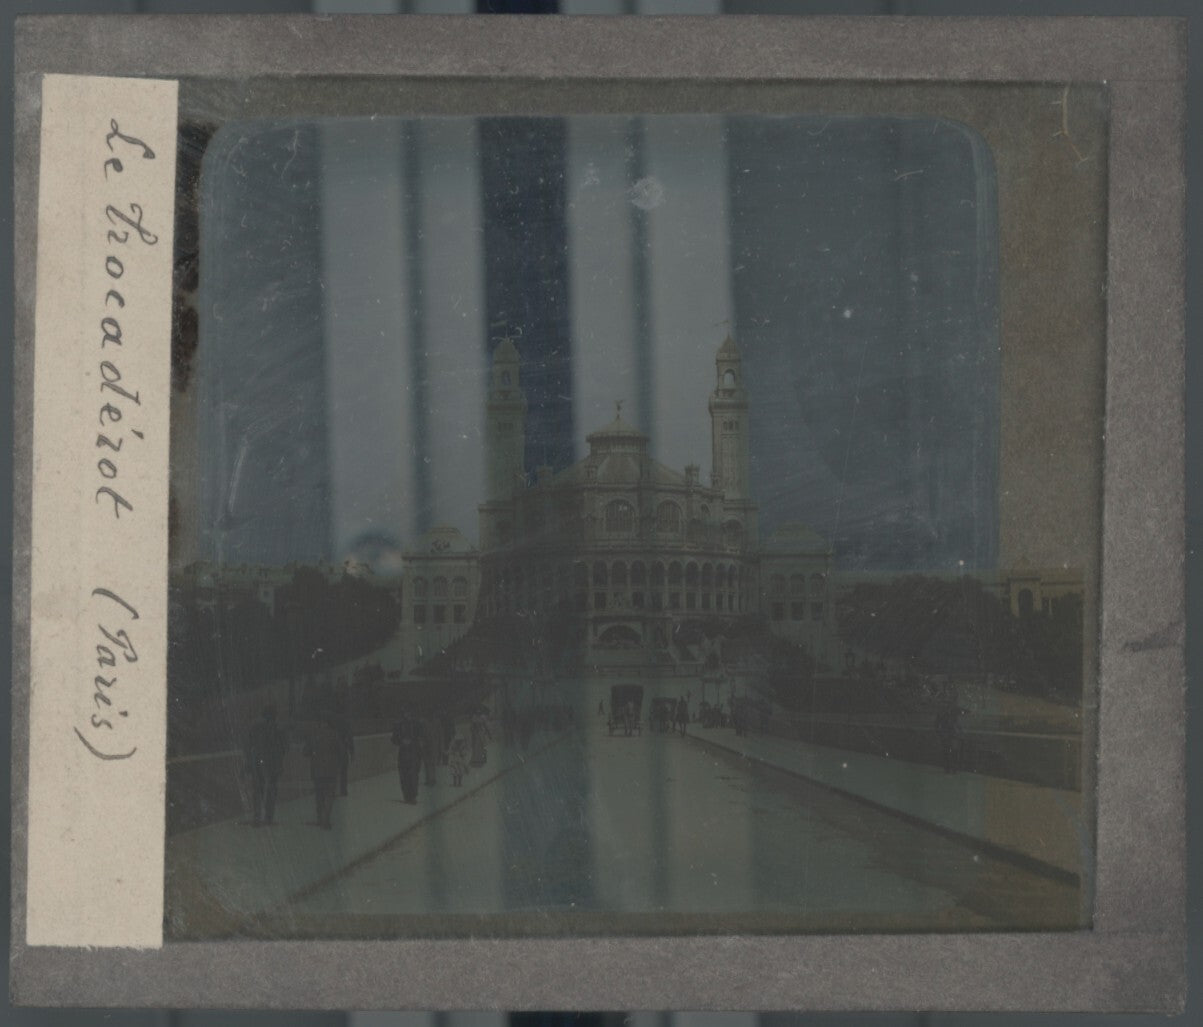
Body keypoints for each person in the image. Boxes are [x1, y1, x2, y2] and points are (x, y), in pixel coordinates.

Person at [243, 704, 287, 826]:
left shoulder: (255, 727)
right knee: (272, 789)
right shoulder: (279, 728)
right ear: (275, 715)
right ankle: (269, 818)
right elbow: (285, 746)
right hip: (273, 762)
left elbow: (248, 744)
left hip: (258, 761)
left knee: (258, 789)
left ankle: (257, 817)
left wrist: (248, 760)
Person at [304, 715, 345, 830]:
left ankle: (319, 818)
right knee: (329, 796)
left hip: (317, 771)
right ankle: (326, 818)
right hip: (331, 770)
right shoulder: (335, 734)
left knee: (319, 796)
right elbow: (342, 752)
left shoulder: (313, 735)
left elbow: (305, 751)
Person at [391, 710, 422, 804]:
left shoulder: (417, 724)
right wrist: (401, 741)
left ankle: (412, 796)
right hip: (403, 753)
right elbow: (393, 739)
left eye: (409, 713)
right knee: (404, 775)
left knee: (413, 775)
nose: (407, 715)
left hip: (414, 752)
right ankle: (406, 796)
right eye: (405, 713)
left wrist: (415, 743)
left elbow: (421, 737)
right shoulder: (398, 725)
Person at [335, 712, 355, 797]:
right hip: (343, 752)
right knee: (343, 772)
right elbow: (350, 741)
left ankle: (335, 790)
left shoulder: (335, 726)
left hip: (336, 753)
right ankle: (343, 790)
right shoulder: (346, 727)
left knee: (336, 772)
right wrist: (352, 753)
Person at [420, 714, 442, 787]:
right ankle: (428, 779)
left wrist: (439, 745)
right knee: (426, 763)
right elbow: (421, 734)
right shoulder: (423, 722)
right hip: (426, 745)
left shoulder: (437, 722)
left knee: (432, 763)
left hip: (433, 745)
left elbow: (439, 734)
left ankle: (432, 779)